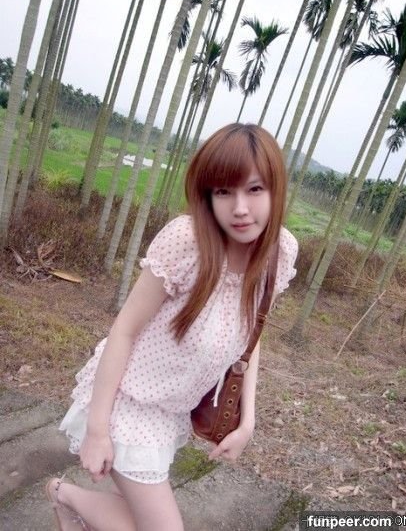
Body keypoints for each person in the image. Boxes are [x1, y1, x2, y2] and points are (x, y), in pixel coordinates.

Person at [45, 123, 298, 531]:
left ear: (276, 190)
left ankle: (69, 503)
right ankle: (63, 494)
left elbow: (252, 339)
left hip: (171, 412)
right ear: (207, 195)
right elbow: (124, 330)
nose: (240, 208)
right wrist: (97, 430)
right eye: (223, 191)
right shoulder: (188, 242)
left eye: (254, 189)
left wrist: (247, 423)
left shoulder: (279, 252)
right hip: (128, 402)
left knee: (133, 512)